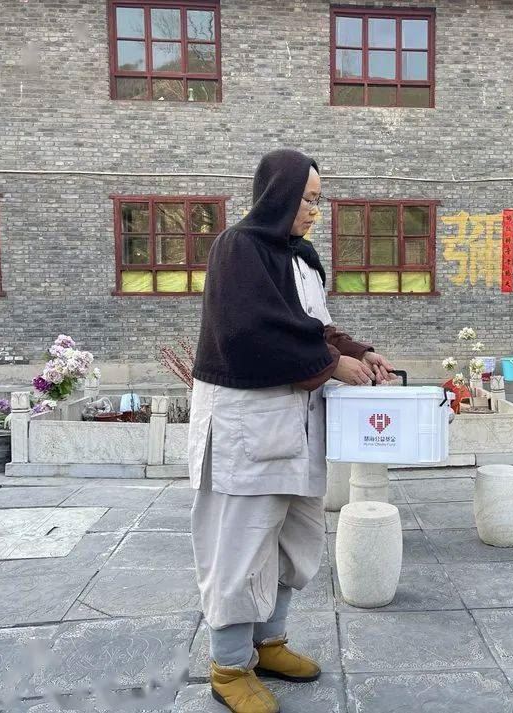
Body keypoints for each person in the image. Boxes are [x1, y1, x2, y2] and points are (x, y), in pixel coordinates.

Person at [188, 149, 393, 713]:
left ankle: (269, 643)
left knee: (294, 537)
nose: (314, 211)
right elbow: (251, 332)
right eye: (307, 199)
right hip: (247, 424)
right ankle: (229, 665)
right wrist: (331, 365)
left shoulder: (301, 257)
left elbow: (312, 327)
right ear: (277, 194)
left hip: (298, 424)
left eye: (319, 200)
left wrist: (357, 351)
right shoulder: (239, 248)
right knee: (240, 543)